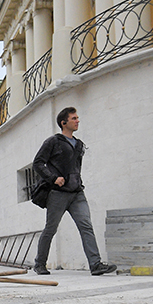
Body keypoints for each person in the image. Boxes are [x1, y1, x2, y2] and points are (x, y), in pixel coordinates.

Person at [32, 107, 116, 276]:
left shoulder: (79, 144)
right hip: (58, 193)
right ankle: (39, 263)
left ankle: (96, 264)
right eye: (74, 118)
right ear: (64, 123)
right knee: (51, 229)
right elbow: (38, 163)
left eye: (78, 118)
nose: (78, 121)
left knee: (86, 226)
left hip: (77, 193)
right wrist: (53, 178)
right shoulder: (53, 141)